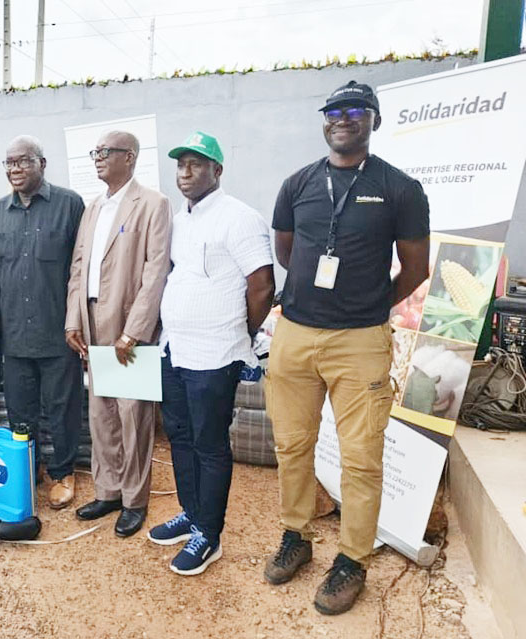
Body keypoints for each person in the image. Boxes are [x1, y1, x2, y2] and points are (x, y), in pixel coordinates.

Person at [265, 81, 430, 615]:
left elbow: (416, 268)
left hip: (360, 342)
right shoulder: (297, 184)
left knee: (361, 457)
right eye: (334, 111)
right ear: (324, 121)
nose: (343, 119)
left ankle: (352, 560)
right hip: (294, 335)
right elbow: (287, 252)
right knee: (292, 445)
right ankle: (296, 536)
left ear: (374, 120)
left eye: (356, 110)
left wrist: (370, 306)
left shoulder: (401, 189)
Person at [147, 132, 274, 575]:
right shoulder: (178, 219)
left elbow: (262, 285)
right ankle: (191, 513)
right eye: (180, 165)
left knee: (209, 443)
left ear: (217, 171)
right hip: (174, 348)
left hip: (215, 354)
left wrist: (241, 333)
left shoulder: (239, 218)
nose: (185, 173)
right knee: (179, 435)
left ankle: (209, 535)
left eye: (196, 165)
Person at [64, 131, 171, 537]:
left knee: (133, 414)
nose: (97, 159)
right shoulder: (93, 208)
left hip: (127, 325)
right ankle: (107, 490)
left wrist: (136, 330)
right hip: (91, 321)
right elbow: (78, 268)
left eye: (105, 152)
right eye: (95, 152)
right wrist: (73, 319)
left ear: (129, 157)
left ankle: (134, 499)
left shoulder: (153, 204)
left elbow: (155, 271)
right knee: (100, 412)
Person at [0, 135, 85, 509]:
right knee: (20, 409)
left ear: (42, 163)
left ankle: (63, 472)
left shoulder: (70, 205)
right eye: (8, 163)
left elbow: (81, 269)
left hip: (58, 331)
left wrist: (78, 321)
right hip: (15, 333)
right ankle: (28, 468)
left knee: (61, 407)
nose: (14, 170)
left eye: (22, 162)